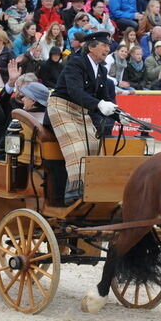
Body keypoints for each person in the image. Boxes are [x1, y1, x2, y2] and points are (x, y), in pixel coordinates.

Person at [47, 31, 118, 204]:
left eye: (109, 46)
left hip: (82, 110)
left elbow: (105, 98)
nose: (108, 49)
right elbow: (75, 91)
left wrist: (121, 114)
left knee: (95, 145)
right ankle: (74, 192)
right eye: (104, 45)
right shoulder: (76, 62)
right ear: (92, 47)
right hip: (61, 107)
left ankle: (92, 188)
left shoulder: (101, 69)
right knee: (77, 147)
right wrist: (99, 105)